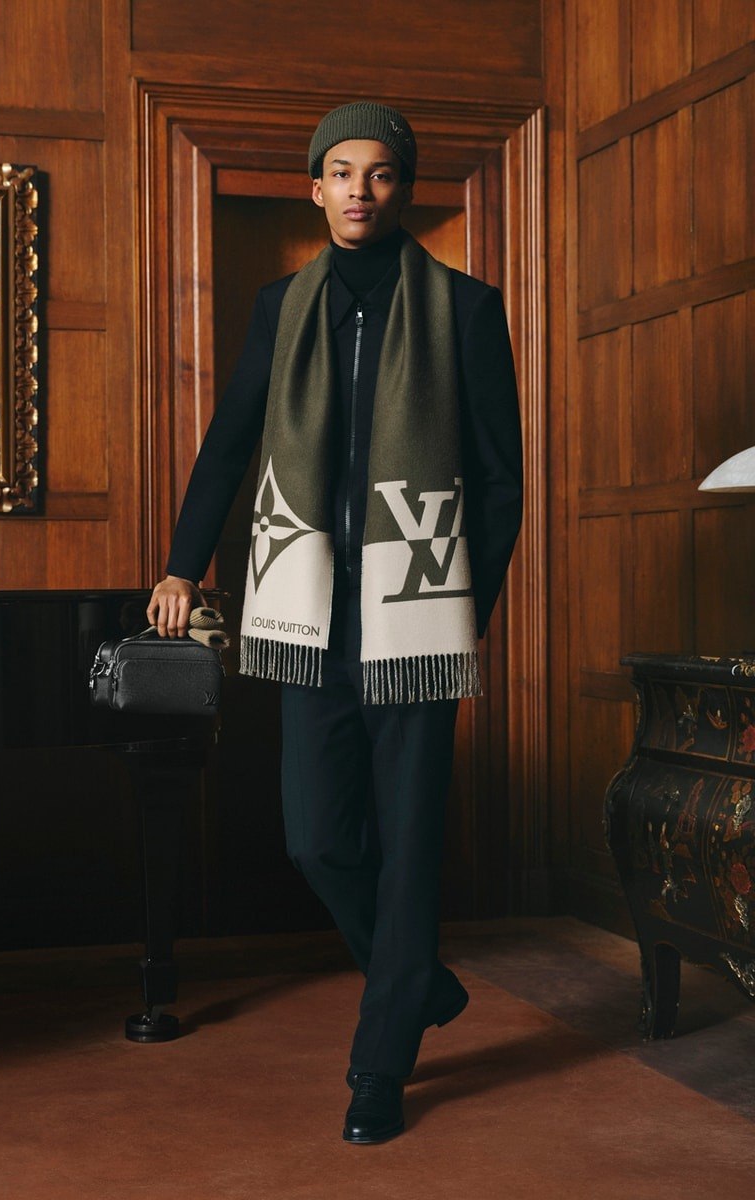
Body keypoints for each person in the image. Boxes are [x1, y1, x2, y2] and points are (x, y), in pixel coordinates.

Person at [147, 101, 523, 1144]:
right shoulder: (283, 307)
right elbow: (231, 443)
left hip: (415, 618)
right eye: (342, 172)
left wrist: (466, 606)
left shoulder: (465, 308)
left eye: (381, 172)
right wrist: (181, 564)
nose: (361, 188)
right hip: (308, 610)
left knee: (408, 844)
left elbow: (499, 480)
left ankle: (378, 1065)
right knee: (316, 838)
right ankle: (417, 985)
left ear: (404, 190)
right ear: (315, 189)